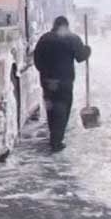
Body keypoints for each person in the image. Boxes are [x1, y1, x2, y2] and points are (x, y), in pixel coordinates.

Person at [33, 16, 91, 153]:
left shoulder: (44, 39)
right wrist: (87, 50)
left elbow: (37, 60)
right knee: (63, 110)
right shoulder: (72, 38)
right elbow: (80, 57)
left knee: (51, 109)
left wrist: (45, 72)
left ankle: (54, 137)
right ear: (66, 26)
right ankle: (56, 142)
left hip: (48, 82)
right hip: (64, 82)